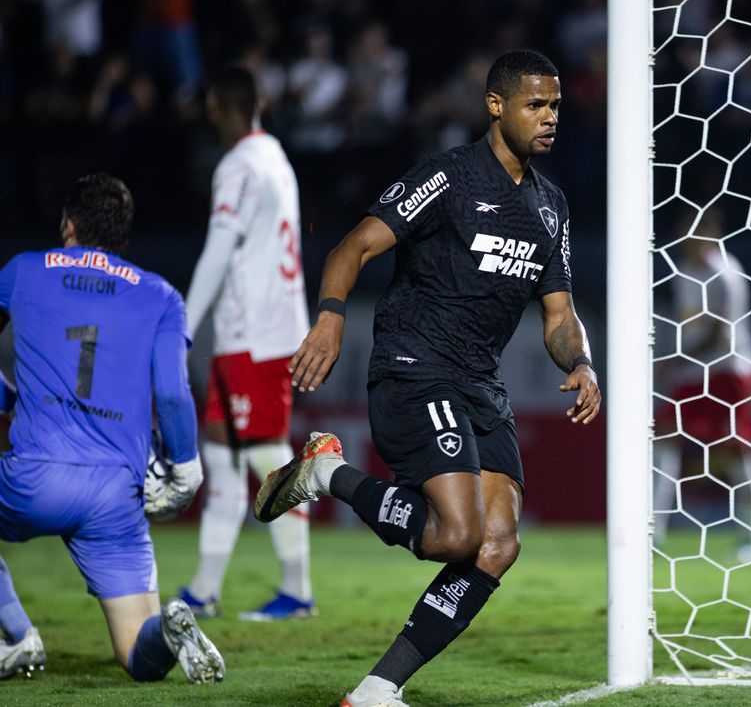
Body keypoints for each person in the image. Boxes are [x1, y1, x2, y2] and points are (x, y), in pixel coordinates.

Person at [254, 49, 601, 707]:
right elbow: (352, 246)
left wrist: (580, 361)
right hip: (414, 367)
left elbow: (559, 315)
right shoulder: (449, 177)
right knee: (455, 536)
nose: (550, 117)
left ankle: (377, 689)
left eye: (555, 106)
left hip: (479, 385)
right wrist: (330, 319)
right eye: (535, 105)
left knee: (497, 545)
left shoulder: (550, 208)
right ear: (495, 105)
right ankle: (329, 474)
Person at [0, 173, 224, 682]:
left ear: (68, 224)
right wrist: (186, 467)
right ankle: (164, 633)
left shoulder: (22, 272)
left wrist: (7, 396)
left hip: (33, 476)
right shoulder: (161, 295)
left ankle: (17, 635)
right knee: (135, 653)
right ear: (123, 233)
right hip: (114, 493)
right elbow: (171, 392)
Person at [178, 64, 314, 621]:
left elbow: (219, 246)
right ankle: (204, 588)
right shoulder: (277, 159)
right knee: (224, 458)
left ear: (216, 106)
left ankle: (298, 590)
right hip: (257, 330)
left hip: (255, 335)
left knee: (269, 460)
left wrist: (184, 322)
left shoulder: (238, 165)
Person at [654, 211, 751, 562]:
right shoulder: (684, 272)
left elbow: (718, 336)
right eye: (681, 231)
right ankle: (653, 531)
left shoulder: (726, 275)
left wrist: (672, 361)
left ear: (710, 234)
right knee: (663, 439)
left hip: (728, 373)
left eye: (693, 232)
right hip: (692, 375)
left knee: (737, 453)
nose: (686, 239)